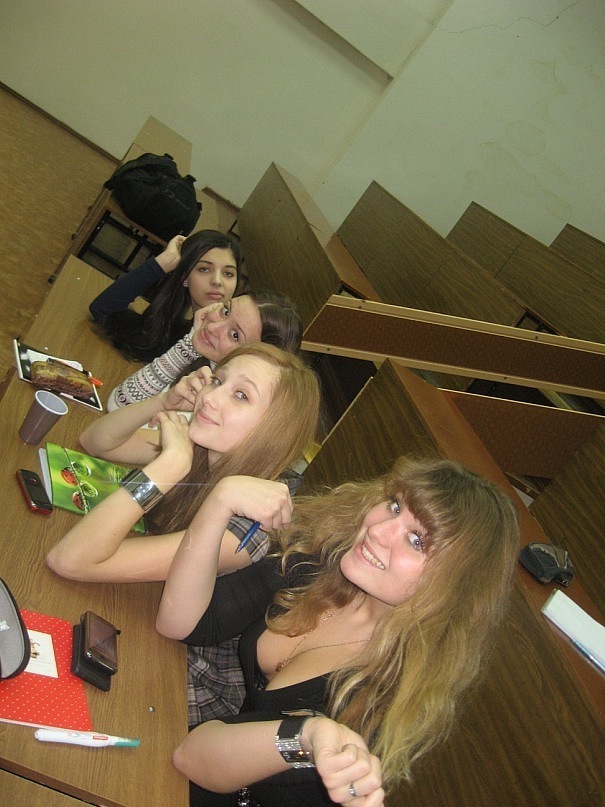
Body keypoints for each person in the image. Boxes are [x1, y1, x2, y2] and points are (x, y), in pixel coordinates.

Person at [155, 456, 520, 805]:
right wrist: (220, 501)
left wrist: (305, 738)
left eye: (417, 541)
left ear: (452, 588)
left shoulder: (375, 702)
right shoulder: (326, 566)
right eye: (394, 506)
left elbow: (194, 758)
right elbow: (186, 623)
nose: (378, 531)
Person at [47, 343, 320, 725]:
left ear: (274, 430)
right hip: (142, 607)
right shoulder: (209, 444)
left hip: (180, 678)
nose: (210, 398)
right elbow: (96, 441)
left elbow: (71, 560)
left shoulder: (254, 524)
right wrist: (164, 401)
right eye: (218, 381)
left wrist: (168, 466)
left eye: (241, 395)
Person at [104, 288, 303, 411]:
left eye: (235, 335)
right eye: (225, 311)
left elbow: (118, 409)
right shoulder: (203, 362)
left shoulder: (217, 399)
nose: (214, 327)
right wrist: (190, 344)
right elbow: (119, 401)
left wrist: (189, 345)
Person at [89, 230, 245, 361]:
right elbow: (103, 310)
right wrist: (163, 263)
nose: (217, 281)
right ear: (184, 278)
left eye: (228, 273)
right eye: (204, 269)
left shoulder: (235, 349)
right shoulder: (176, 332)